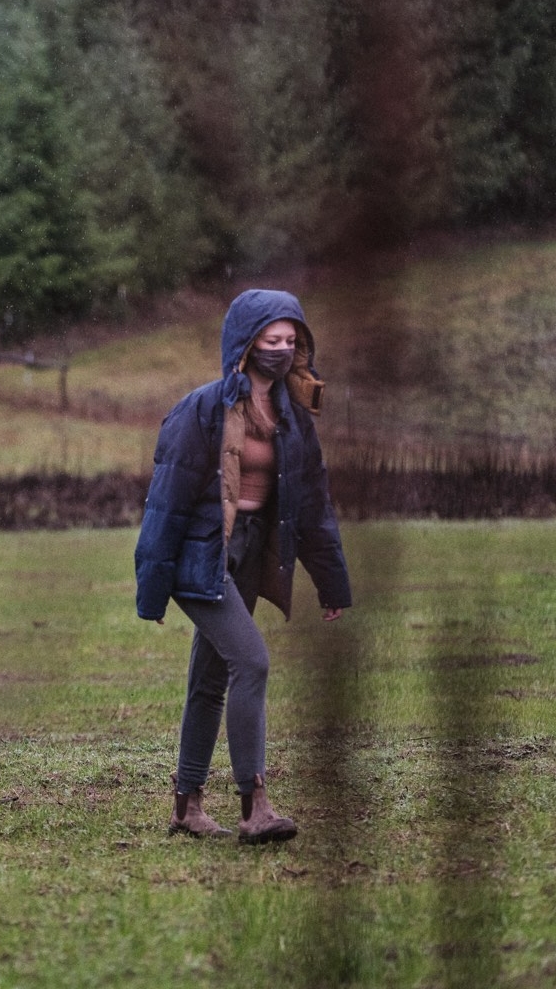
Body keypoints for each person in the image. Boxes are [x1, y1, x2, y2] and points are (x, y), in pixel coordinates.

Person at [133, 289, 352, 845]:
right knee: (251, 662)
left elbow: (313, 506)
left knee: (210, 678)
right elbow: (168, 501)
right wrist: (153, 590)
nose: (280, 349)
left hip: (252, 554)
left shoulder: (294, 418)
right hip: (201, 555)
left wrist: (331, 583)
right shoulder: (202, 409)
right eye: (270, 339)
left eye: (290, 340)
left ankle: (186, 806)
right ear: (246, 342)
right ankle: (255, 804)